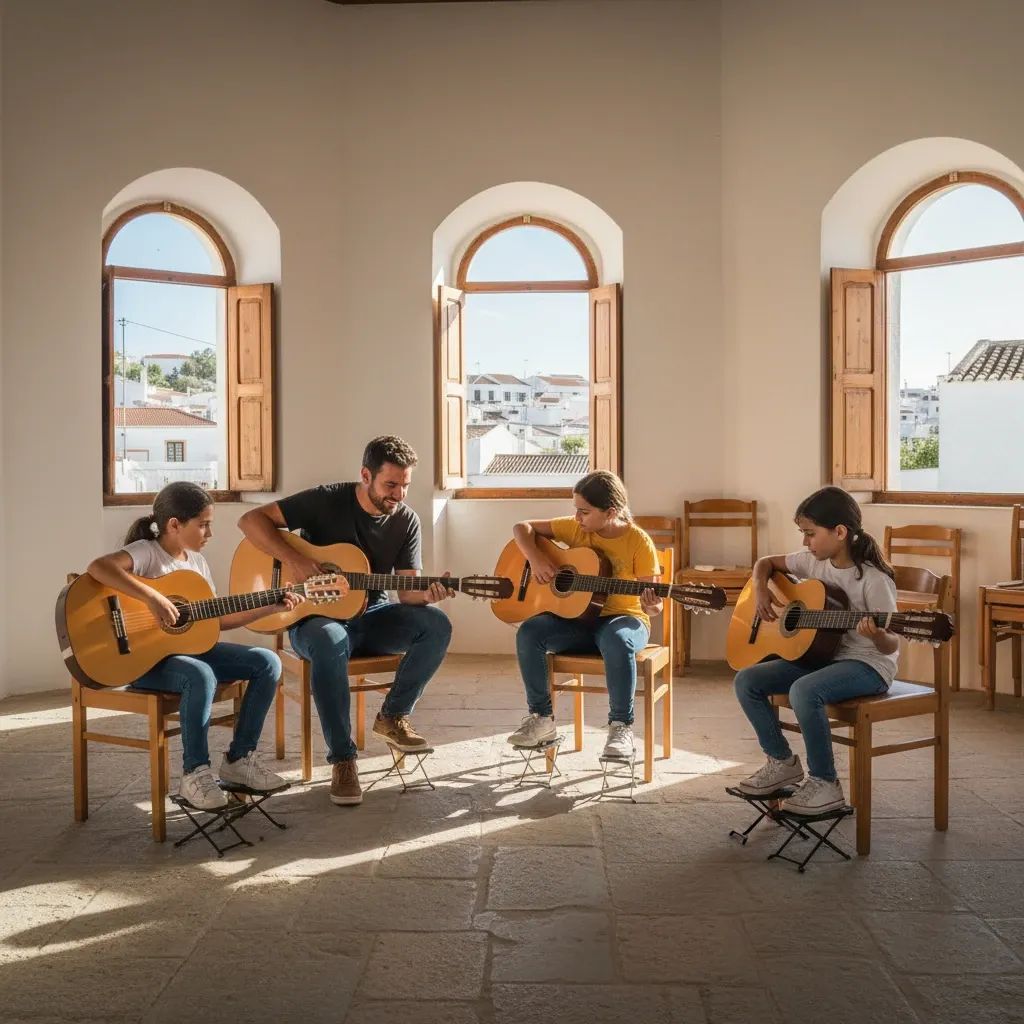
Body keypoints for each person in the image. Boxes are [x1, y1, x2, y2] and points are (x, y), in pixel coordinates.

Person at [238, 435, 453, 807]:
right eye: (390, 485)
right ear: (365, 475)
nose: (399, 495)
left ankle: (393, 716)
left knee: (437, 625)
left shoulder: (406, 521)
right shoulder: (326, 499)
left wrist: (431, 592)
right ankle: (343, 759)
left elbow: (407, 592)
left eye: (405, 485)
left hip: (373, 616)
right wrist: (295, 560)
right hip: (315, 619)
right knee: (329, 640)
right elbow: (250, 520)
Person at [87, 482, 301, 811]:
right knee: (199, 676)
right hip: (146, 661)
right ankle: (194, 773)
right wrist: (154, 598)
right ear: (174, 525)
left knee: (267, 662)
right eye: (203, 525)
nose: (209, 534)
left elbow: (213, 620)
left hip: (190, 653)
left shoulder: (197, 564)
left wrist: (271, 607)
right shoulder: (147, 551)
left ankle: (239, 760)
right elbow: (98, 567)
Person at [734, 485, 899, 814]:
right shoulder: (813, 562)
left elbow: (891, 642)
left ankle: (826, 783)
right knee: (747, 680)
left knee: (804, 691)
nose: (804, 543)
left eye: (810, 534)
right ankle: (782, 761)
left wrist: (877, 635)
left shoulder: (873, 580)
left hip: (868, 665)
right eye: (803, 534)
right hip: (824, 657)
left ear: (840, 532)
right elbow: (765, 562)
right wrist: (761, 591)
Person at [506, 470, 662, 759]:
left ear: (610, 512)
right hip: (579, 621)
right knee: (530, 631)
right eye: (575, 510)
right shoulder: (575, 529)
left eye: (584, 512)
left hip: (624, 620)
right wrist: (537, 558)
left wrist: (652, 604)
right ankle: (541, 719)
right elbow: (521, 527)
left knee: (616, 639)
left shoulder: (638, 541)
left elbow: (653, 607)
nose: (577, 518)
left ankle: (620, 727)